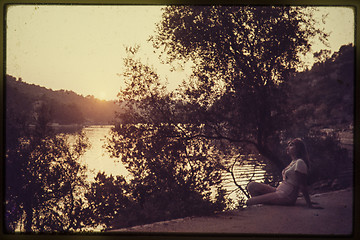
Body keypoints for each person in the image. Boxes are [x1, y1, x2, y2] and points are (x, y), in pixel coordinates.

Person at [246, 138, 317, 208]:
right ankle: (262, 207)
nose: (288, 147)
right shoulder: (293, 162)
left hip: (287, 196)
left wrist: (309, 203)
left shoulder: (300, 162)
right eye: (288, 145)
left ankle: (260, 207)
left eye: (291, 145)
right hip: (279, 191)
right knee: (252, 186)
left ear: (298, 148)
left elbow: (303, 185)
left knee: (250, 201)